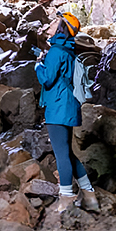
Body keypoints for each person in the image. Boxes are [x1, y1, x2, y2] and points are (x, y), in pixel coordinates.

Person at [35, 12, 99, 211]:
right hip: (69, 106)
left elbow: (47, 79)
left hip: (57, 107)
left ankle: (66, 199)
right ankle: (89, 195)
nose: (52, 23)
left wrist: (38, 65)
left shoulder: (56, 51)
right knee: (68, 153)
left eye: (56, 21)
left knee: (61, 155)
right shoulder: (69, 50)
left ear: (62, 27)